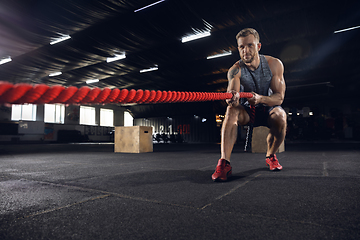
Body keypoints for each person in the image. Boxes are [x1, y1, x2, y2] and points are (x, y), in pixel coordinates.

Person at [212, 28, 287, 182]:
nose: (245, 51)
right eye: (241, 47)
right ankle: (224, 163)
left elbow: (279, 98)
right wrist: (232, 99)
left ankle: (271, 155)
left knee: (281, 116)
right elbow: (231, 93)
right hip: (247, 111)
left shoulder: (274, 64)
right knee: (231, 109)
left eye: (250, 45)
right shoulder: (235, 70)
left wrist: (260, 99)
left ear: (258, 46)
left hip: (268, 108)